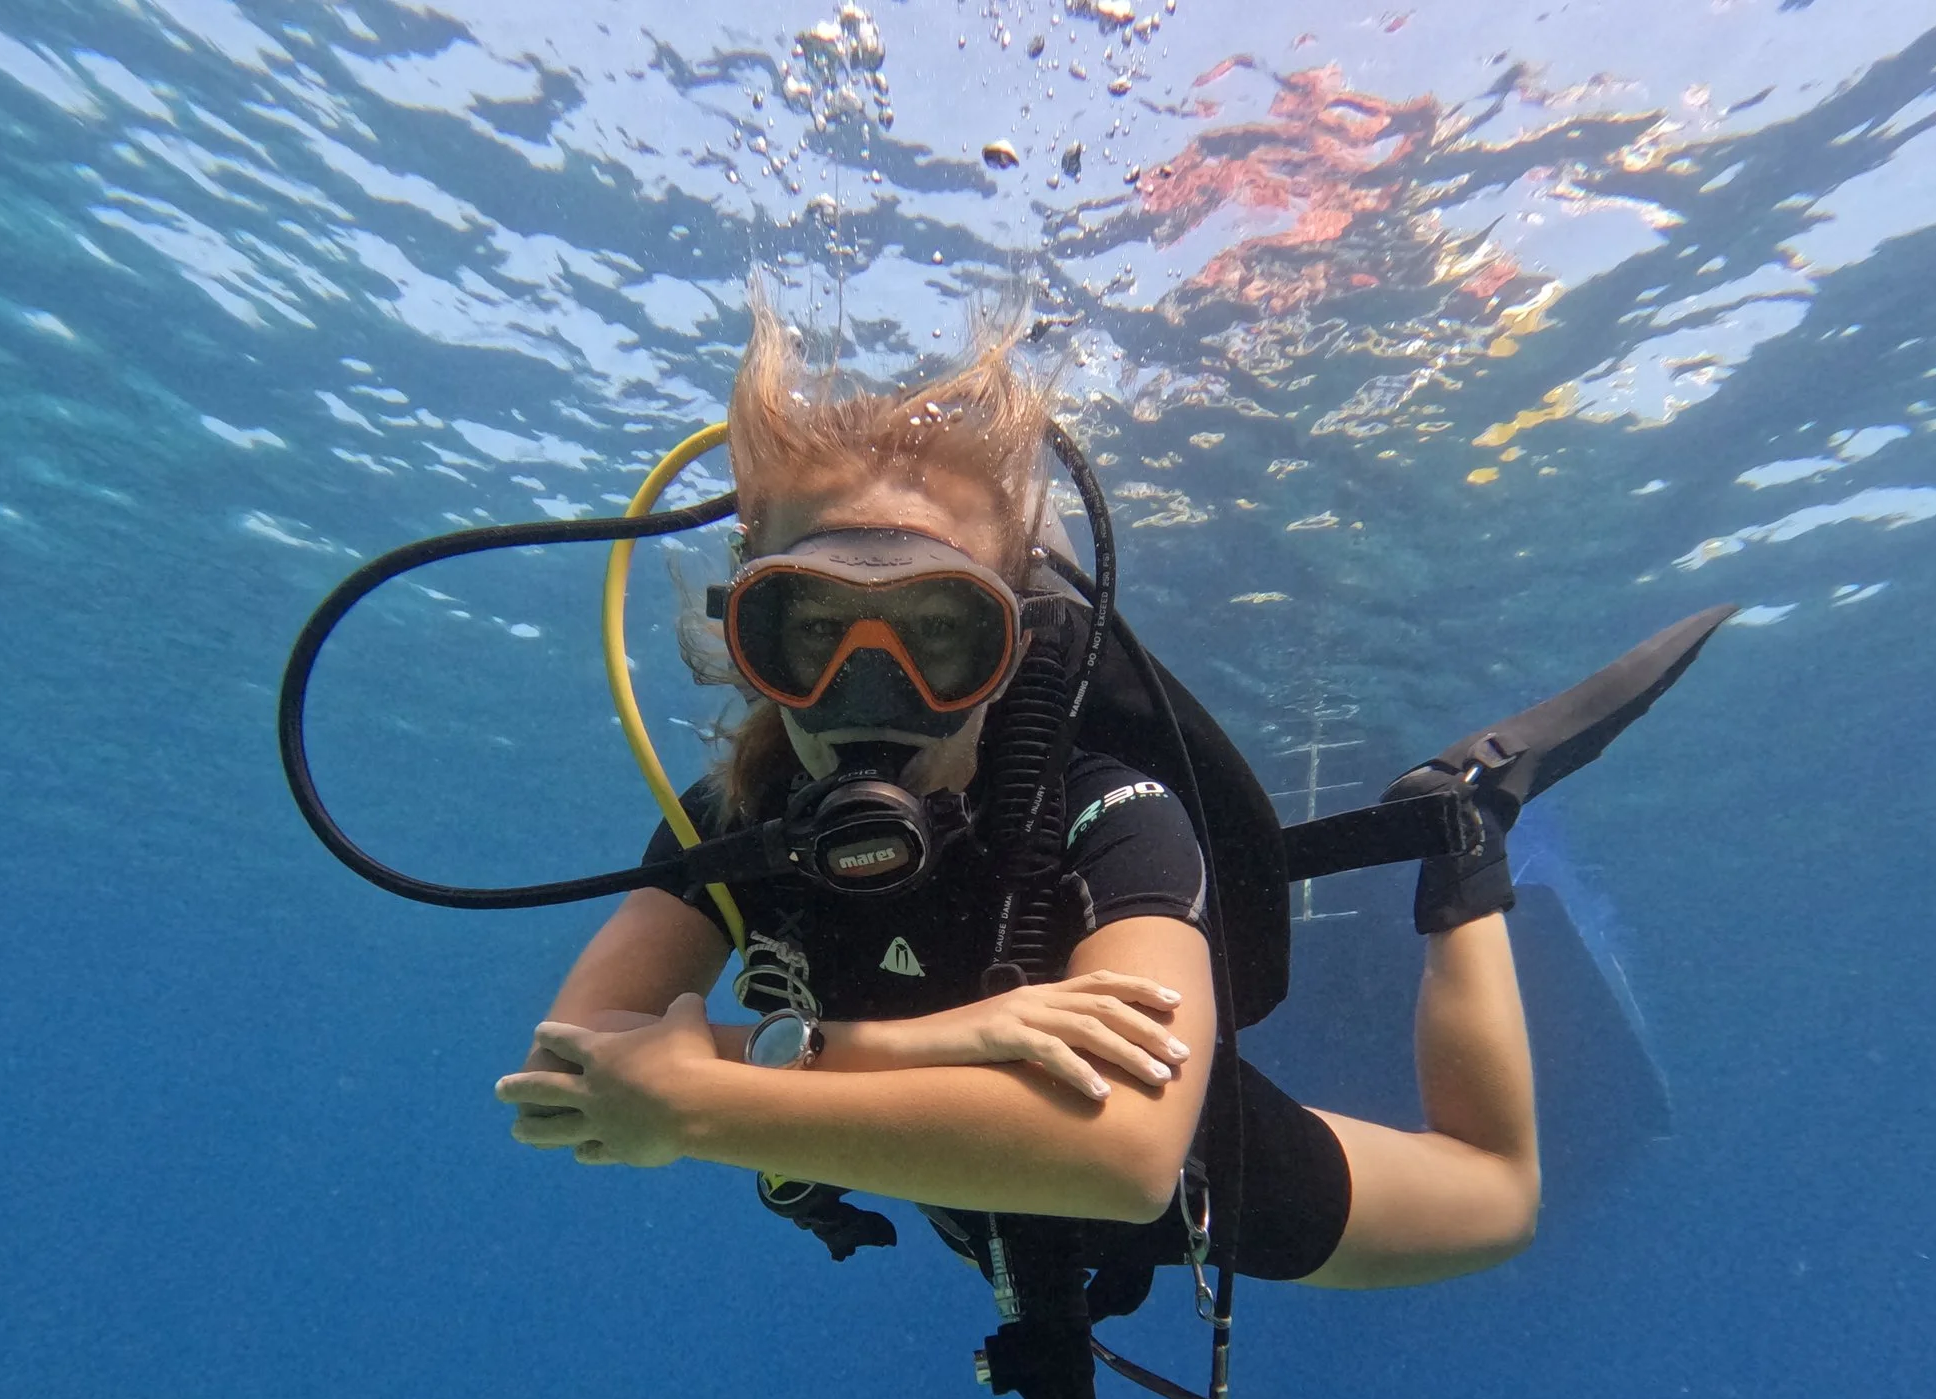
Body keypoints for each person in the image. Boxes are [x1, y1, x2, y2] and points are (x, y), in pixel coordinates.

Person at [493, 298, 1542, 1298]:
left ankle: (1459, 832)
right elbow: (560, 1070)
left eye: (938, 631)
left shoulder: (1110, 810)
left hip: (1191, 1183)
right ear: (747, 637)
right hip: (970, 1184)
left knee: (1497, 1198)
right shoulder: (734, 821)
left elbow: (1124, 1156)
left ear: (1011, 646)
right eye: (814, 627)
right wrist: (943, 1039)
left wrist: (696, 1099)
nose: (873, 691)